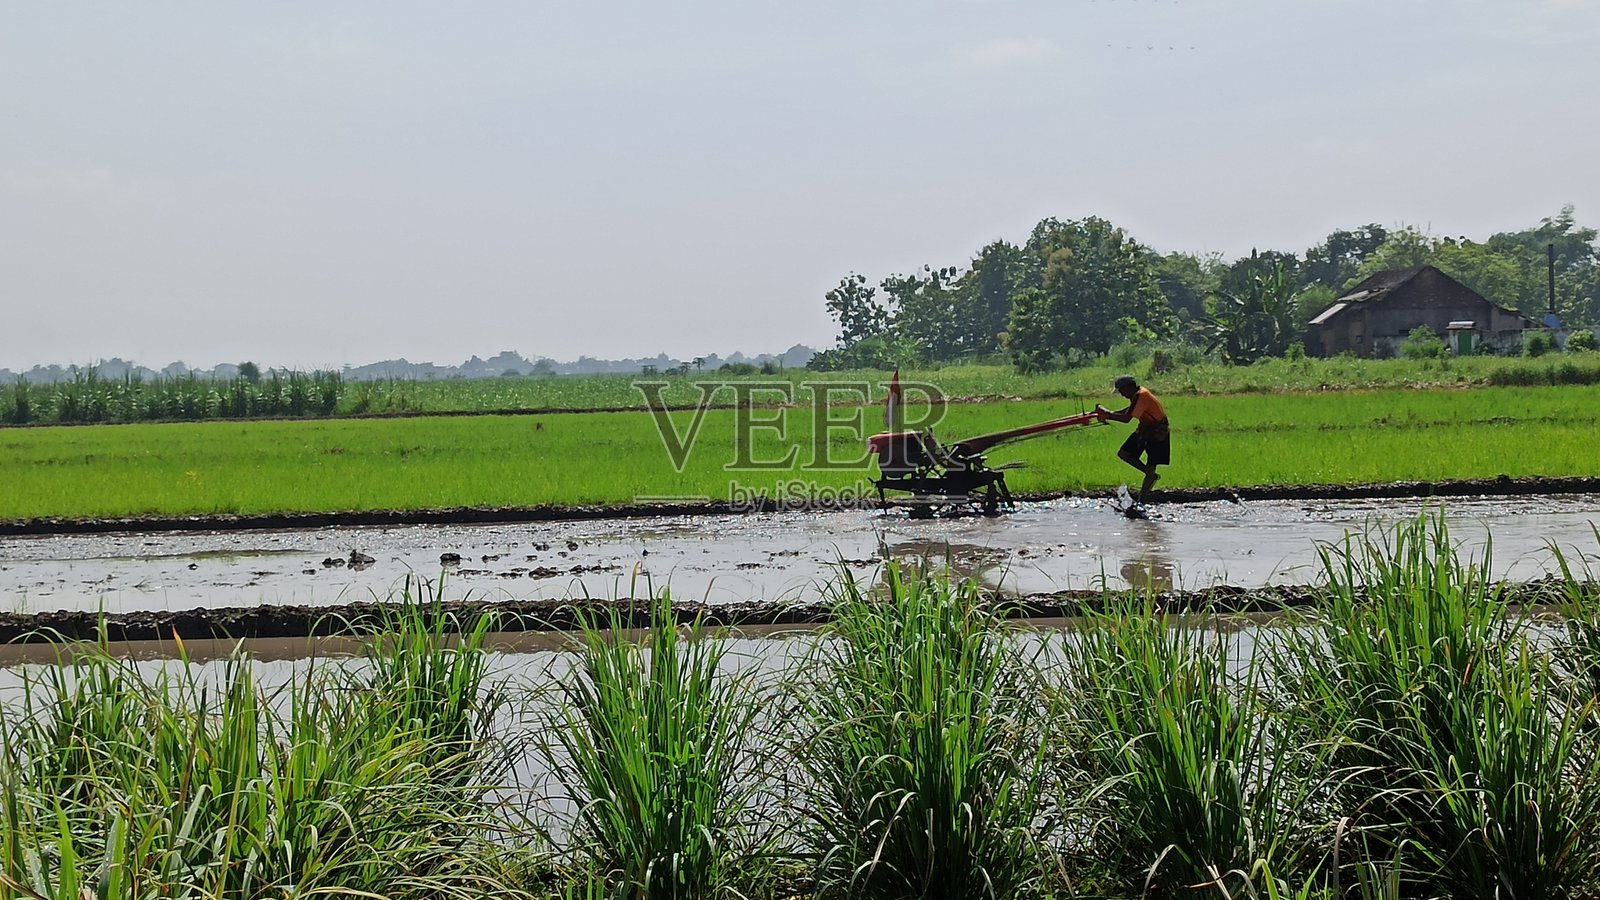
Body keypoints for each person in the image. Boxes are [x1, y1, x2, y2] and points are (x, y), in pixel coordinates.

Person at [1096, 375, 1169, 502]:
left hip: (1158, 432)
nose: (1122, 395)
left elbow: (1127, 419)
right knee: (1124, 453)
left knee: (1151, 465)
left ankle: (1142, 500)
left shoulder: (1141, 395)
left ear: (1129, 387)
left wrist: (1107, 415)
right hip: (1146, 429)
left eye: (1122, 391)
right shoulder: (1138, 395)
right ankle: (1149, 476)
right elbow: (1129, 411)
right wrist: (1109, 413)